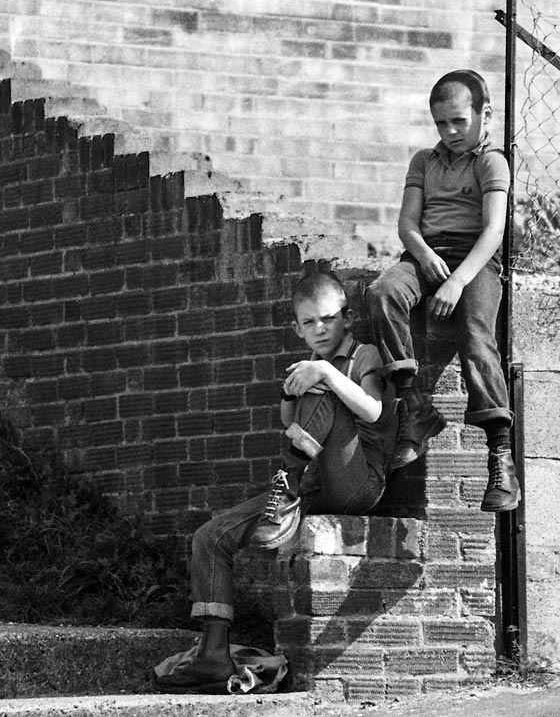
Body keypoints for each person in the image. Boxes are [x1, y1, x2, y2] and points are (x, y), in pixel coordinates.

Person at [152, 270, 398, 694]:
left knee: (323, 388)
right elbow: (290, 423)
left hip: (358, 479)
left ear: (348, 317)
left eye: (327, 319)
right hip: (313, 481)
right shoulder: (308, 364)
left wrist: (324, 372)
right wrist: (292, 391)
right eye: (308, 323)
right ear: (296, 328)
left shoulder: (364, 355)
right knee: (210, 537)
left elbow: (373, 410)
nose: (319, 329)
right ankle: (212, 655)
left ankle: (285, 490)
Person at [365, 69, 521, 513]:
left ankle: (500, 456)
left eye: (459, 121)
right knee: (382, 293)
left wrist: (457, 280)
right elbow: (406, 224)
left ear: (483, 114)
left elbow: (493, 231)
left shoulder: (491, 162)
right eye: (441, 124)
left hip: (475, 262)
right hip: (427, 256)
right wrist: (423, 254)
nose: (450, 132)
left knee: (475, 332)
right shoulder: (423, 162)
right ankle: (414, 405)